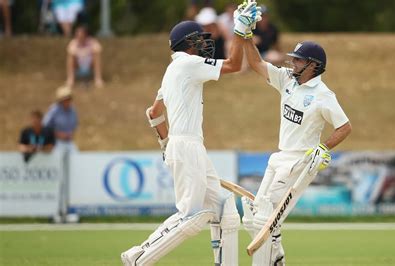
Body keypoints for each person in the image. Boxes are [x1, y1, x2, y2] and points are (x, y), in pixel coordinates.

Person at [120, 2, 261, 265]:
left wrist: (165, 145)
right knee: (192, 216)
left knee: (225, 209)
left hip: (183, 143)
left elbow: (153, 112)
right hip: (187, 144)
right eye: (198, 40)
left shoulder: (171, 70)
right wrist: (240, 31)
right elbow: (234, 64)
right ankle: (140, 256)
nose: (203, 44)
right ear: (187, 43)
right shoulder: (189, 63)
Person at [242, 36, 352, 264]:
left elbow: (344, 127)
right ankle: (278, 256)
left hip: (301, 161)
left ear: (313, 65)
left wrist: (323, 147)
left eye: (299, 61)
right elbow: (256, 64)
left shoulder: (323, 95)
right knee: (252, 219)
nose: (293, 64)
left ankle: (271, 260)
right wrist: (246, 37)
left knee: (265, 217)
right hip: (280, 155)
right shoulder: (287, 80)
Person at [42, 85, 78, 155]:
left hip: (69, 141)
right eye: (65, 99)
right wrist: (58, 134)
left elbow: (74, 126)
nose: (68, 101)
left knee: (76, 156)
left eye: (69, 98)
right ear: (60, 100)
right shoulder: (54, 110)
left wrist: (70, 134)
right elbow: (45, 126)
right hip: (56, 142)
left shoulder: (72, 110)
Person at [66, 24, 104, 88]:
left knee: (96, 56)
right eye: (77, 34)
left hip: (90, 68)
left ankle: (98, 79)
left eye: (81, 33)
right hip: (78, 68)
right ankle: (70, 79)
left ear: (85, 35)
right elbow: (71, 52)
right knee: (71, 57)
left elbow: (98, 49)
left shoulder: (92, 42)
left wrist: (86, 51)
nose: (79, 36)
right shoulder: (73, 43)